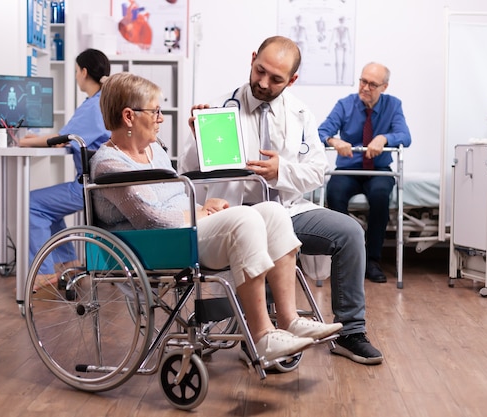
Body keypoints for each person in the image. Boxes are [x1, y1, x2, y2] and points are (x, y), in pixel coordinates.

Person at [90, 72, 342, 363]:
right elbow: (150, 219)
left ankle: (288, 319)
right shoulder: (110, 164)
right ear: (129, 116)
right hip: (154, 246)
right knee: (244, 220)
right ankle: (262, 335)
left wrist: (204, 203)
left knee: (272, 213)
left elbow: (174, 195)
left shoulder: (153, 151)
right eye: (155, 111)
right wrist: (198, 211)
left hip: (179, 233)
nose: (161, 118)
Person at [178, 36, 383, 365]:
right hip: (238, 215)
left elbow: (317, 171)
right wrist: (195, 140)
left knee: (350, 232)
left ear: (292, 80)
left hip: (289, 210)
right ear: (253, 57)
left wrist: (280, 172)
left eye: (276, 79)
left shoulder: (301, 113)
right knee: (257, 228)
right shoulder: (217, 109)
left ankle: (351, 333)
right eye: (260, 71)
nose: (263, 82)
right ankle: (261, 332)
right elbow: (187, 176)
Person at [20, 48, 111, 291]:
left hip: (92, 187)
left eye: (75, 72)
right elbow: (67, 137)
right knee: (48, 207)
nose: (75, 77)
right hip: (104, 183)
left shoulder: (94, 106)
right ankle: (67, 262)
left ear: (83, 72)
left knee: (32, 204)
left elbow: (62, 138)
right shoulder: (104, 101)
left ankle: (44, 272)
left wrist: (24, 141)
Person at [318, 62, 411, 283]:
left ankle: (372, 260)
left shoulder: (393, 105)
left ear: (384, 87)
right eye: (363, 81)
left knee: (380, 195)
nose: (365, 87)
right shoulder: (345, 105)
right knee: (334, 193)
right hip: (348, 169)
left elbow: (405, 136)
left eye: (372, 84)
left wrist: (384, 138)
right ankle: (343, 258)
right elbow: (321, 132)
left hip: (378, 169)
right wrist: (334, 140)